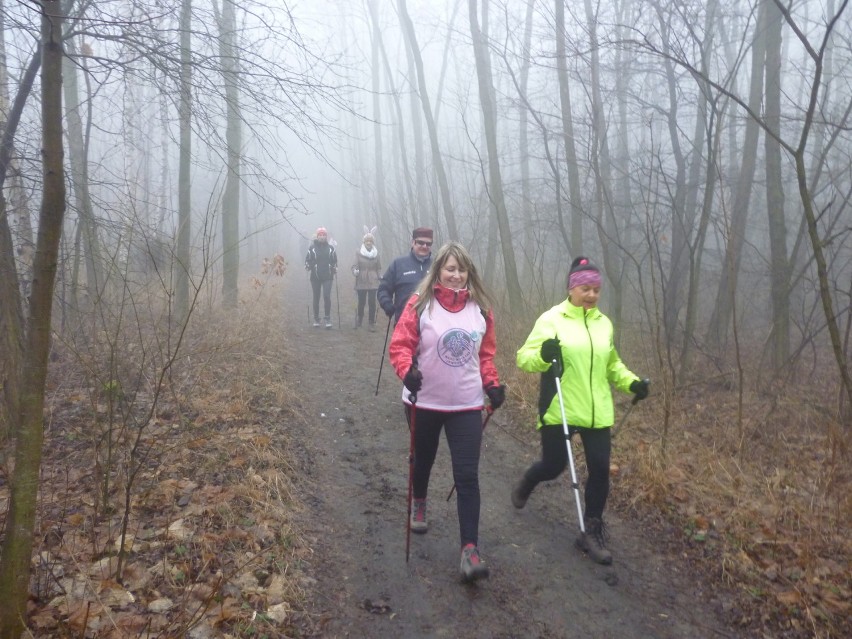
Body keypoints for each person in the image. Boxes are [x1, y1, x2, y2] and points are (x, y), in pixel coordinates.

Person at [513, 256, 649, 565]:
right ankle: (529, 480)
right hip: (559, 405)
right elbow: (524, 357)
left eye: (596, 290)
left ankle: (591, 530)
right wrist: (545, 356)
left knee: (600, 468)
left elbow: (612, 365)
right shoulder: (552, 319)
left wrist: (633, 384)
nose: (591, 295)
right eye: (585, 289)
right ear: (571, 289)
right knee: (553, 465)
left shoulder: (604, 324)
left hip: (596, 410)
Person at [388, 241, 506, 582]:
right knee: (423, 459)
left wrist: (492, 385)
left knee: (467, 476)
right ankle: (419, 501)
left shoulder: (481, 309)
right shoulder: (419, 303)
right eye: (450, 269)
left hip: (466, 404)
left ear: (470, 273)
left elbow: (485, 356)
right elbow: (401, 345)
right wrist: (407, 370)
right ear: (438, 270)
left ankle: (470, 550)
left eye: (462, 269)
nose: (456, 275)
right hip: (424, 401)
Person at [377, 227, 433, 324]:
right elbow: (383, 289)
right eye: (420, 242)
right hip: (403, 324)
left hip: (432, 325)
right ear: (413, 242)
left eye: (428, 244)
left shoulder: (438, 265)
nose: (424, 246)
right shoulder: (398, 264)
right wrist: (387, 303)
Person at [304, 227, 338, 328]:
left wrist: (335, 268)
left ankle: (327, 318)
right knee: (316, 297)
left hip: (328, 275)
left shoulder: (331, 248)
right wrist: (308, 266)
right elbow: (307, 260)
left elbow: (334, 260)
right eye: (320, 235)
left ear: (326, 236)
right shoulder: (312, 248)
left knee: (327, 296)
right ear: (317, 236)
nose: (322, 237)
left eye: (324, 235)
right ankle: (316, 318)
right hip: (315, 276)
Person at [351, 228, 382, 331]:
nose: (369, 243)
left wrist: (380, 276)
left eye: (370, 241)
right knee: (361, 301)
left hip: (373, 279)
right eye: (367, 241)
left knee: (372, 302)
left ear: (373, 242)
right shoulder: (358, 252)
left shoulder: (376, 253)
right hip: (362, 279)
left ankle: (371, 323)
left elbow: (378, 267)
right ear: (364, 242)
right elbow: (355, 264)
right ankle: (359, 319)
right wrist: (355, 270)